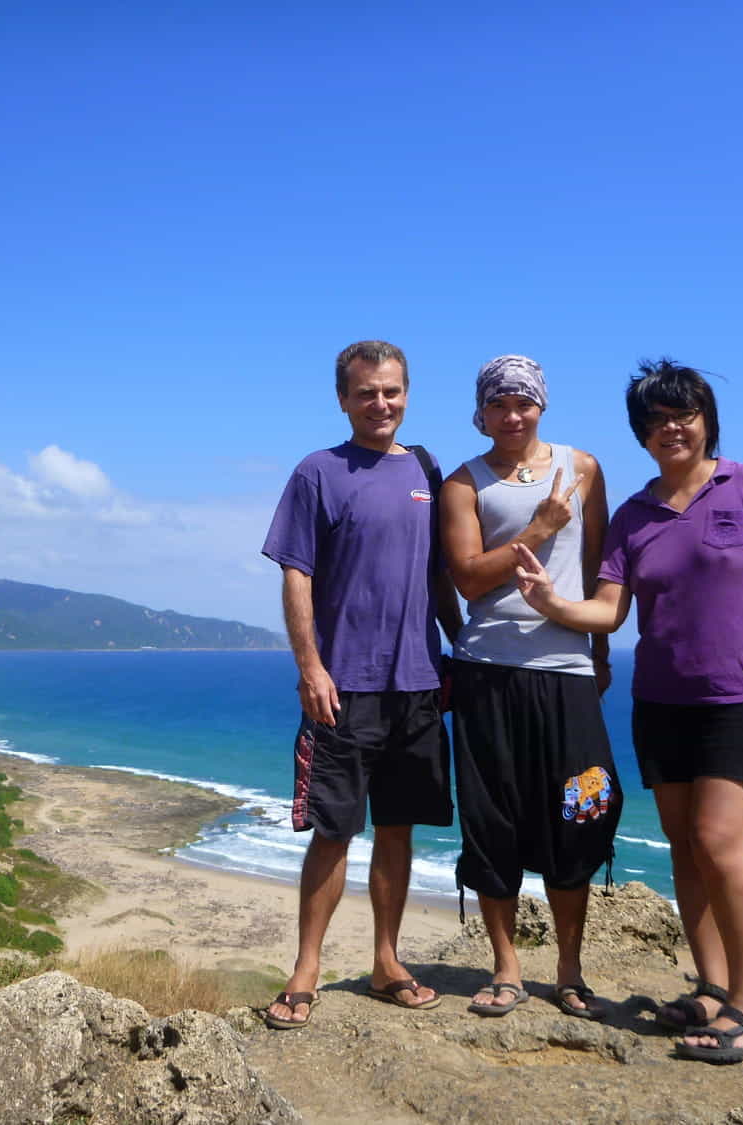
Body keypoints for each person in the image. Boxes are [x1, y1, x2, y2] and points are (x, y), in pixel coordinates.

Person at [510, 357, 743, 1062]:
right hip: (662, 703)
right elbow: (610, 609)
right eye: (655, 420)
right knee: (688, 849)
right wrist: (553, 605)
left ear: (706, 419)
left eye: (682, 414)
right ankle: (714, 987)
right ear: (642, 434)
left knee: (721, 844)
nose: (670, 428)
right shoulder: (634, 514)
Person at [259, 339, 463, 1030]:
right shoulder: (318, 472)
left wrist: (457, 646)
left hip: (417, 684)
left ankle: (386, 961)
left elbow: (438, 576)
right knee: (333, 831)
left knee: (398, 828)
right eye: (367, 392)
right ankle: (306, 968)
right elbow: (296, 574)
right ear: (343, 399)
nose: (382, 403)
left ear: (408, 394)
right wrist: (310, 666)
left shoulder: (430, 471)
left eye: (393, 391)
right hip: (342, 687)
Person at [440, 355, 622, 1019]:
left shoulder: (583, 468)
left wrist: (599, 651)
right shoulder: (465, 483)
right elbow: (467, 577)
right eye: (499, 405)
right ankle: (507, 966)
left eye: (524, 403)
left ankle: (570, 968)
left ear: (541, 405)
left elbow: (603, 567)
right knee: (493, 818)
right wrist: (538, 529)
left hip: (567, 670)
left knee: (584, 803)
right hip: (487, 668)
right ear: (482, 412)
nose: (512, 416)